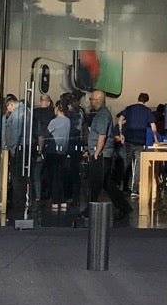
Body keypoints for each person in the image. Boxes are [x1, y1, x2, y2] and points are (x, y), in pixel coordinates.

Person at [78, 90, 131, 222]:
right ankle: (124, 207)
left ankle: (90, 209)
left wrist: (96, 153)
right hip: (101, 153)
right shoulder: (101, 114)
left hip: (101, 155)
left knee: (95, 182)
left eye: (92, 99)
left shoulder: (102, 115)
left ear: (98, 100)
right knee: (107, 184)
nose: (90, 102)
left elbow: (102, 135)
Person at [43, 97, 75, 212]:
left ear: (57, 108)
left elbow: (46, 134)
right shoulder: (68, 121)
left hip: (53, 152)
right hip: (63, 152)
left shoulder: (53, 122)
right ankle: (63, 200)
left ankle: (55, 201)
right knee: (61, 177)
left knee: (53, 177)